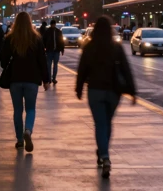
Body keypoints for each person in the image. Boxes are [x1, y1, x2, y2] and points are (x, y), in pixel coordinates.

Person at [76, 16, 136, 179]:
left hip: (95, 90)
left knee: (100, 124)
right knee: (107, 123)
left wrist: (79, 88)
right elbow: (126, 69)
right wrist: (132, 91)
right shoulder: (116, 47)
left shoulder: (90, 47)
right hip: (113, 91)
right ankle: (103, 152)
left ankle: (104, 155)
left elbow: (82, 69)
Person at [0, 12, 50, 152]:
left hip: (15, 79)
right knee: (30, 109)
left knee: (17, 110)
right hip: (32, 79)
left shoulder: (10, 39)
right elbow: (42, 61)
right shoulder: (36, 38)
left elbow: (3, 61)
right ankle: (28, 130)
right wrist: (46, 80)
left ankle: (20, 140)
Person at [43, 20, 65, 84]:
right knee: (50, 65)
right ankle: (50, 79)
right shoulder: (48, 31)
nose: (53, 25)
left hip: (55, 50)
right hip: (50, 50)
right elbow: (44, 40)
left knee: (53, 65)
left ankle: (53, 78)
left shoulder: (57, 32)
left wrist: (62, 49)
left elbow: (61, 41)